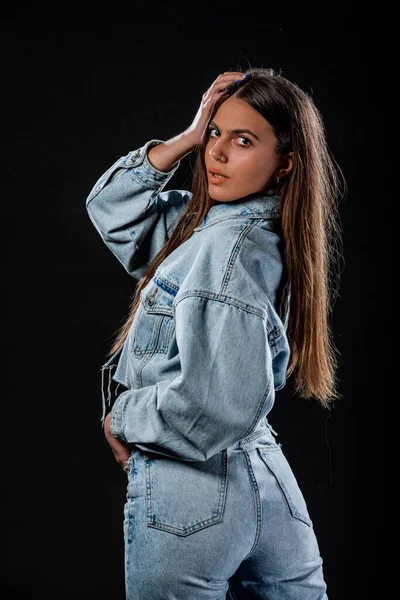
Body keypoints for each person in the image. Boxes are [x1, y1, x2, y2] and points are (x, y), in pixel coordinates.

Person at [85, 67, 344, 600]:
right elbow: (112, 209)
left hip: (190, 489)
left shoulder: (226, 250)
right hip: (265, 476)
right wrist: (186, 135)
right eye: (214, 134)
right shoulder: (209, 229)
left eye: (244, 140)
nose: (216, 154)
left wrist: (124, 415)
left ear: (285, 164)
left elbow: (214, 407)